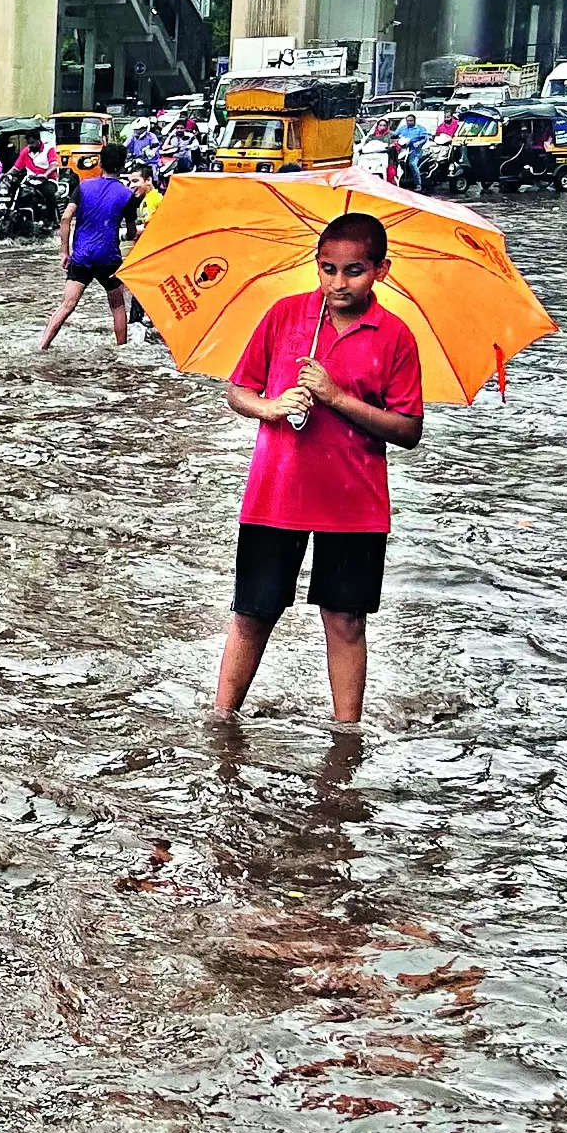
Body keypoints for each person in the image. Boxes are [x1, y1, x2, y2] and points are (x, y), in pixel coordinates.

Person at [215, 212, 424, 725]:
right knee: (253, 613)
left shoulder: (395, 336)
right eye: (327, 269)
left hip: (353, 502)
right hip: (276, 492)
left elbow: (407, 429)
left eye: (353, 270)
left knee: (346, 619)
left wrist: (337, 397)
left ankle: (345, 734)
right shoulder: (286, 316)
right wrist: (269, 407)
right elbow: (239, 389)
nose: (338, 283)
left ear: (382, 270)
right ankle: (220, 722)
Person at [37, 140, 138, 351]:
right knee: (118, 305)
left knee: (66, 305)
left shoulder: (83, 186)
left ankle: (42, 345)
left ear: (100, 163)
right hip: (108, 258)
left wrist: (64, 252)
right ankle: (122, 351)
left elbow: (65, 219)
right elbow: (130, 232)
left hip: (81, 256)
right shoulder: (127, 195)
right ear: (122, 166)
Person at [395, 113, 432, 189]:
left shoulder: (420, 128)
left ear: (414, 121)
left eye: (411, 121)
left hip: (415, 150)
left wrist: (418, 143)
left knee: (412, 164)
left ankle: (418, 184)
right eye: (408, 121)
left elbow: (425, 138)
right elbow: (395, 135)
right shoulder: (403, 128)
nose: (409, 122)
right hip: (403, 149)